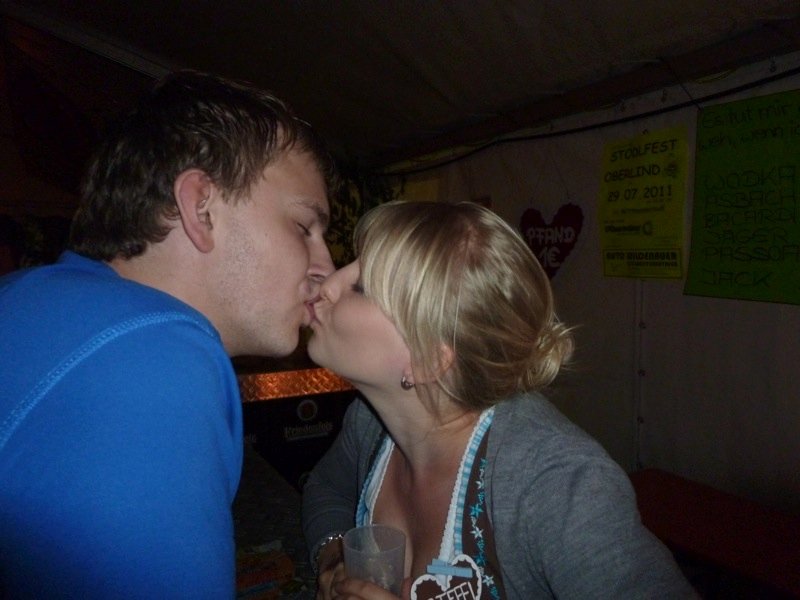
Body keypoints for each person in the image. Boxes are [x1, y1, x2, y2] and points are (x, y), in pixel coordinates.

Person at [0, 70, 337, 597]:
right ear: (200, 206)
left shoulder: (32, 298)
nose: (326, 267)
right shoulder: (155, 354)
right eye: (303, 227)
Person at [302, 201, 696, 599]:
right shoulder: (370, 421)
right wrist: (334, 556)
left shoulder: (552, 481)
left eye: (361, 288)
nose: (327, 284)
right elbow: (326, 488)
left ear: (429, 360)